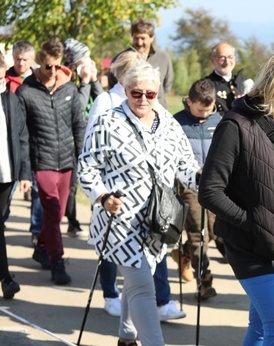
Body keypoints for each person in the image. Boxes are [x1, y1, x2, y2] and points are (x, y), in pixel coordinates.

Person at [198, 54, 274, 345]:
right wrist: (252, 223)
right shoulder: (235, 125)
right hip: (250, 248)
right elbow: (210, 191)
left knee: (262, 326)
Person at [78, 61, 200, 346]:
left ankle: (126, 337)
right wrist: (103, 196)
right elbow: (86, 168)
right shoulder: (107, 122)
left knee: (137, 282)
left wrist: (202, 179)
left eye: (150, 94)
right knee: (144, 286)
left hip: (159, 220)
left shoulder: (169, 123)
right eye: (136, 93)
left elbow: (185, 165)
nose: (143, 99)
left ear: (157, 93)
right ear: (126, 90)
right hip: (120, 220)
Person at [16, 39, 85, 285]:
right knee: (53, 211)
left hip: (67, 162)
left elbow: (79, 126)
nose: (53, 72)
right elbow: (21, 135)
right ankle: (57, 261)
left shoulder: (70, 89)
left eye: (57, 66)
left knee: (56, 216)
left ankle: (41, 248)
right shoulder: (25, 91)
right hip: (42, 161)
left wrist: (83, 160)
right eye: (48, 66)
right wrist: (25, 172)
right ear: (39, 63)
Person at [173, 78, 219, 298]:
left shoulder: (219, 121)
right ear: (189, 101)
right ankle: (204, 282)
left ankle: (183, 254)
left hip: (215, 186)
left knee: (211, 233)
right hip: (189, 186)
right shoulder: (176, 123)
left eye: (208, 111)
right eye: (200, 110)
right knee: (197, 235)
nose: (204, 115)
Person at [62, 38, 105, 238]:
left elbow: (103, 103)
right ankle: (72, 222)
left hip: (95, 141)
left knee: (98, 183)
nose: (88, 65)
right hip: (73, 140)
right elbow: (77, 109)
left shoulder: (91, 78)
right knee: (72, 185)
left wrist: (94, 80)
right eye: (83, 62)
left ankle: (97, 222)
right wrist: (85, 82)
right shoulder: (67, 82)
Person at [0, 53, 32, 299]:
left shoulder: (11, 100)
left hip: (5, 175)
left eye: (2, 79)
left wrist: (24, 174)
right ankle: (6, 278)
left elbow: (22, 138)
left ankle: (6, 278)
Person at [5, 41, 40, 230]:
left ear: (32, 59)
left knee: (37, 192)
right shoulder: (5, 79)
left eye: (25, 60)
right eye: (18, 59)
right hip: (12, 144)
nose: (21, 63)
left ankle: (36, 232)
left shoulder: (38, 80)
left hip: (35, 143)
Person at [108, 18, 174, 109]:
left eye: (143, 38)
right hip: (126, 111)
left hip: (158, 110)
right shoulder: (121, 59)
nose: (139, 42)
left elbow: (167, 85)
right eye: (136, 38)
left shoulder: (163, 57)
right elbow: (112, 82)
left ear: (152, 38)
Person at [205, 42, 249, 115]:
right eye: (222, 58)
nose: (227, 62)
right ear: (212, 59)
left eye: (230, 57)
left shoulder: (243, 83)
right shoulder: (205, 85)